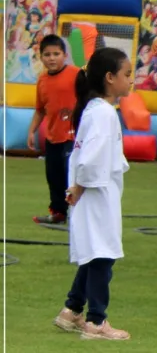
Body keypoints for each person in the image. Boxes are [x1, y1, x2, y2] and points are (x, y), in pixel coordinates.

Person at [53, 47, 132, 340]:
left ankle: (72, 310)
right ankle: (97, 321)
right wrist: (79, 187)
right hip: (96, 195)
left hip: (95, 194)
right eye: (127, 74)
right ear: (110, 78)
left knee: (95, 252)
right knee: (102, 255)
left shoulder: (96, 111)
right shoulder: (104, 115)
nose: (131, 80)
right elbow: (90, 159)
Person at [29, 34, 81, 225]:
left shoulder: (76, 74)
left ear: (64, 55)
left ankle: (78, 213)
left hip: (72, 136)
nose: (51, 58)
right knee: (54, 176)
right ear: (41, 57)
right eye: (47, 54)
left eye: (56, 54)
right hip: (52, 137)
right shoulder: (42, 81)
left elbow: (89, 97)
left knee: (71, 176)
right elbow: (40, 110)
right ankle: (58, 213)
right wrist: (31, 130)